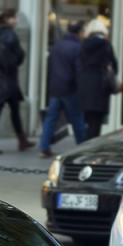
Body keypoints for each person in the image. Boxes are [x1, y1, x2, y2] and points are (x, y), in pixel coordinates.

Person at [0, 8, 30, 154]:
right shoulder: (8, 34)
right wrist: (17, 59)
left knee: (13, 108)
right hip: (6, 77)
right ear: (7, 19)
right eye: (14, 18)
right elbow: (16, 55)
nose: (17, 21)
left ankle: (22, 140)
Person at [39, 20, 87, 157]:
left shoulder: (56, 46)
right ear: (79, 32)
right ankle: (82, 147)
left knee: (51, 117)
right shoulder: (77, 47)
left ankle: (44, 146)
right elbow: (79, 70)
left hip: (56, 87)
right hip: (70, 88)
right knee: (77, 118)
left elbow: (51, 68)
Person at [77, 18, 118, 142]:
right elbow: (115, 66)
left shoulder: (83, 45)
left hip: (85, 85)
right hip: (100, 85)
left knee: (88, 120)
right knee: (96, 123)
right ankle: (90, 148)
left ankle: (86, 145)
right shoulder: (105, 45)